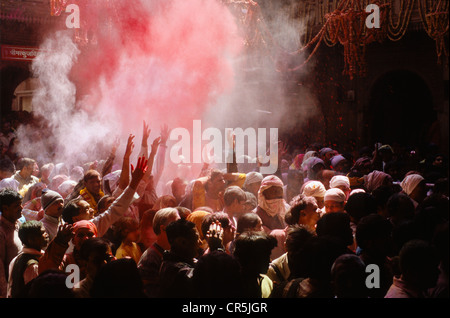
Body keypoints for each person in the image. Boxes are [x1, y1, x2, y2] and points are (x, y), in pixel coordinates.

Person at [138, 207, 180, 297]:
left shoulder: (170, 252)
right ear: (163, 228)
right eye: (175, 224)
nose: (180, 228)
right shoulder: (150, 258)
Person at [158, 218, 202, 298]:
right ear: (182, 242)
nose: (200, 242)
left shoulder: (169, 261)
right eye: (196, 238)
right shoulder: (178, 271)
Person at [7, 220, 49, 298]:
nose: (46, 235)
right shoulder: (33, 266)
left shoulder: (16, 259)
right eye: (42, 233)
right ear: (31, 239)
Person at [356, 214, 394, 298]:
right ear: (369, 242)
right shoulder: (372, 269)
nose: (389, 239)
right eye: (384, 237)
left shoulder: (380, 261)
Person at [233, 231, 277, 298]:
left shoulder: (267, 281)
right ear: (252, 258)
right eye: (265, 256)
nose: (269, 260)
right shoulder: (233, 286)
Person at [0, 188, 23, 297]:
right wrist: (5, 293)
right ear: (5, 208)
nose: (21, 208)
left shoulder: (19, 224)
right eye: (16, 206)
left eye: (21, 204)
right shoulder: (1, 231)